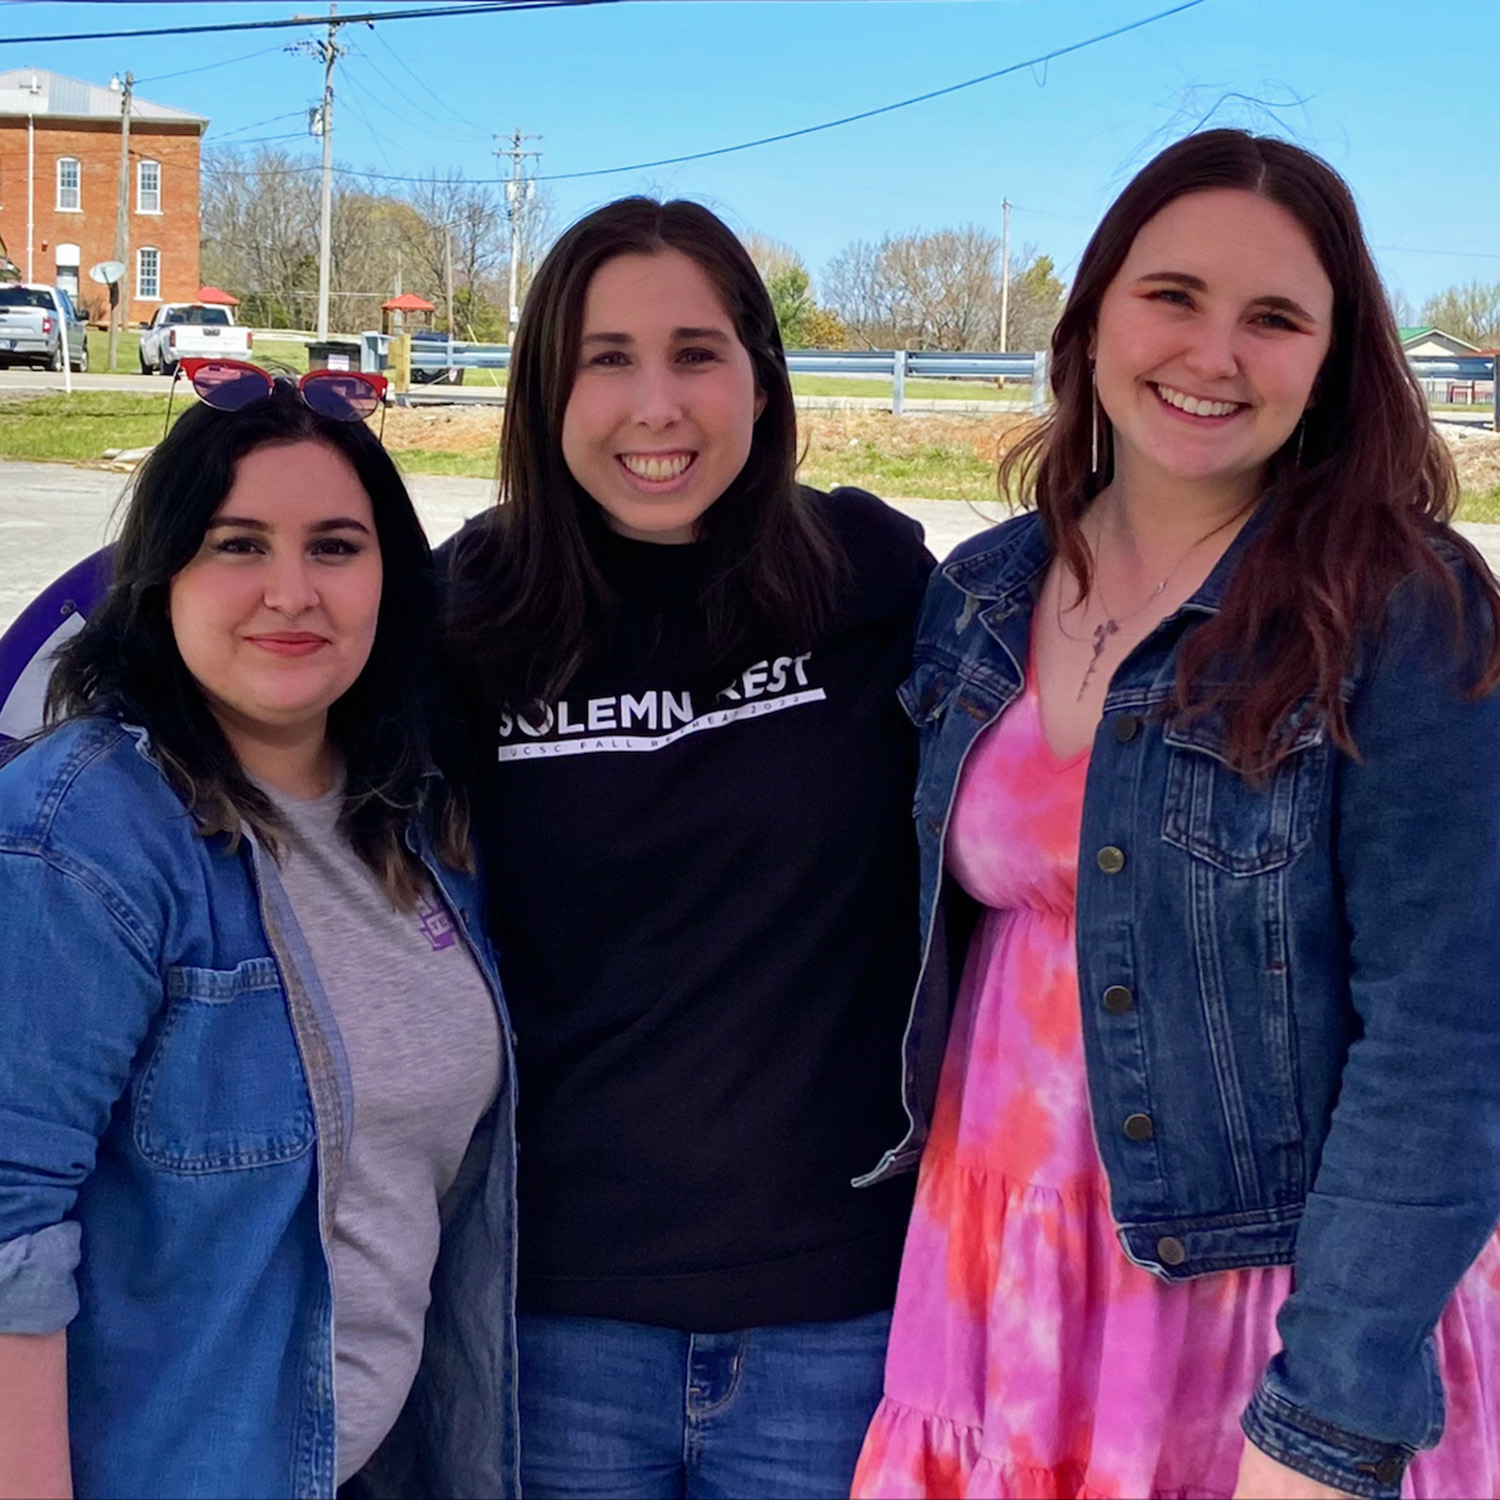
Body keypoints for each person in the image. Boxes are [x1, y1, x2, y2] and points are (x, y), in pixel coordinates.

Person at [854, 129, 1500, 1500]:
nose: (1214, 353)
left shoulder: (1402, 613)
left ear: (1331, 364)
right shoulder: (979, 591)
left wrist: (1328, 1422)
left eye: (1274, 318)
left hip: (1266, 1310)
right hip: (995, 1271)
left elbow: (1450, 1035)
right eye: (1174, 297)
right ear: (1093, 320)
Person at [444, 197, 932, 1499]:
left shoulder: (869, 576)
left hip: (838, 1320)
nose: (655, 405)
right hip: (555, 1327)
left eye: (697, 354)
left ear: (762, 385)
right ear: (545, 392)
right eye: (606, 358)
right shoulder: (463, 617)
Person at [0, 369, 518, 1500]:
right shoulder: (80, 835)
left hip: (375, 1461)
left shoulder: (415, 816)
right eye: (238, 545)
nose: (292, 591)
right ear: (164, 571)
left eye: (336, 546)